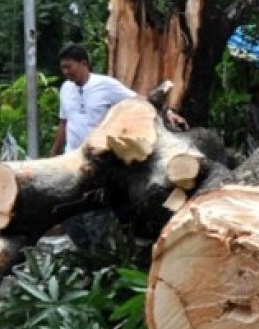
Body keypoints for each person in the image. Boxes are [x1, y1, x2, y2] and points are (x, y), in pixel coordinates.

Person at [51, 44, 184, 249]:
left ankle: (102, 256)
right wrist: (54, 153)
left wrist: (168, 113)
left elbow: (140, 101)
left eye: (69, 67)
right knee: (67, 211)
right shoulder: (65, 89)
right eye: (63, 68)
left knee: (98, 211)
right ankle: (86, 253)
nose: (66, 72)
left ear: (84, 64)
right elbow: (64, 122)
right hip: (72, 159)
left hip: (100, 160)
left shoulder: (106, 85)